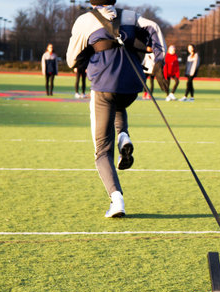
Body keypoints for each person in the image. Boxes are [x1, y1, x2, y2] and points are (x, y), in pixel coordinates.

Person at [66, 0, 166, 218]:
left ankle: (116, 200)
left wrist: (89, 56)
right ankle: (122, 135)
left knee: (102, 151)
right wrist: (159, 61)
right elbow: (155, 28)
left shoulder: (85, 20)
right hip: (131, 86)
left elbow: (71, 60)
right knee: (119, 104)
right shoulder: (131, 15)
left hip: (103, 86)